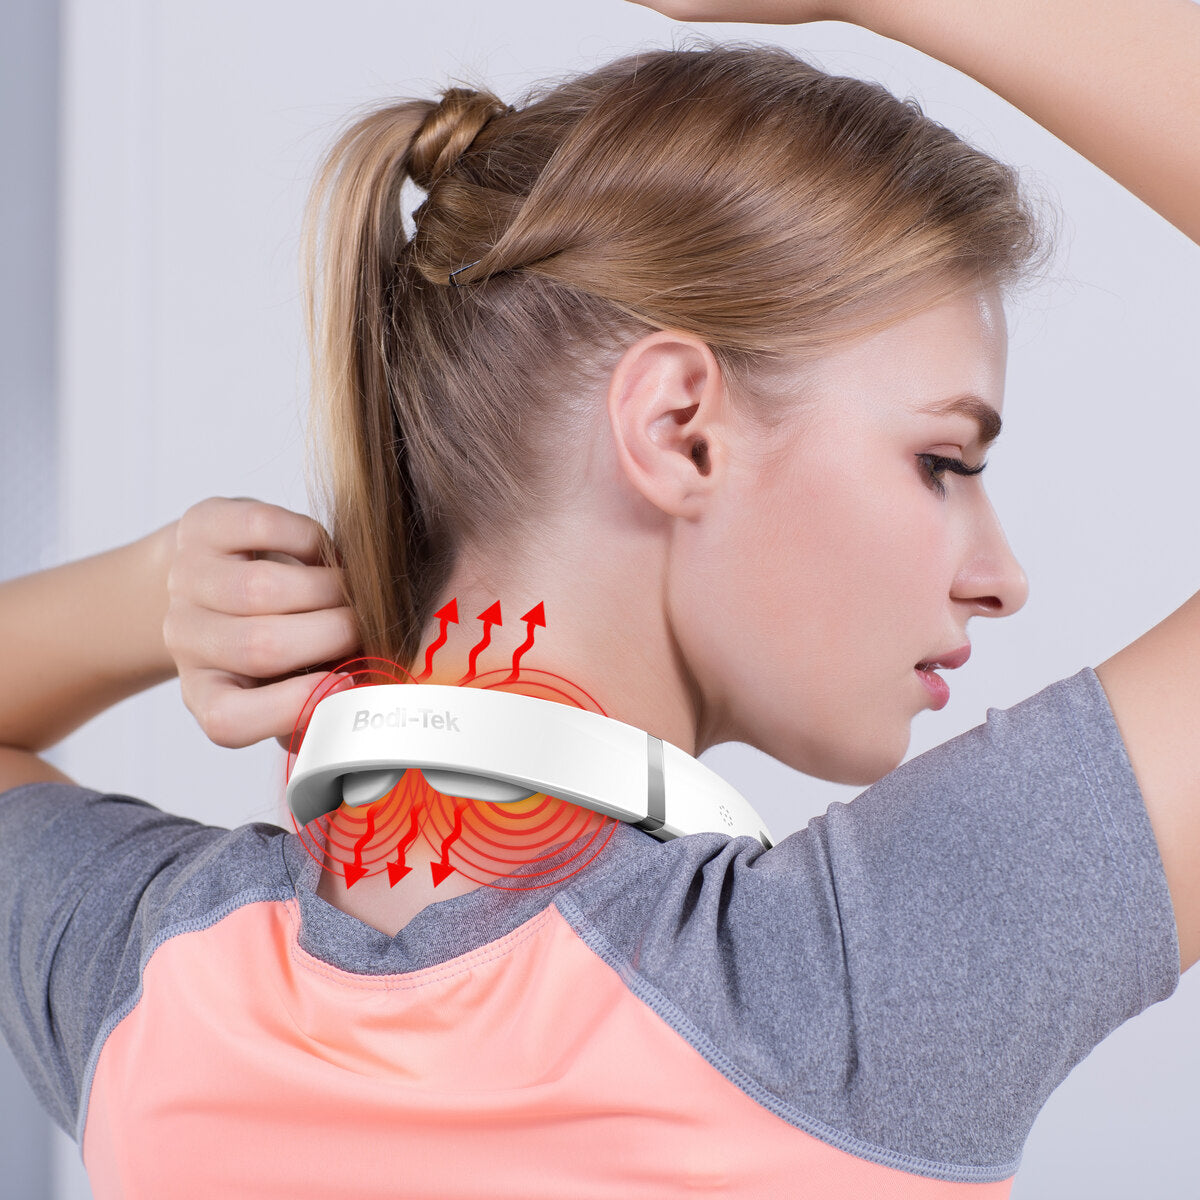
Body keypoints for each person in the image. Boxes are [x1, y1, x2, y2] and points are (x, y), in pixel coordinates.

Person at [0, 0, 1196, 1196]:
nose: (1000, 576)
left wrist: (153, 593)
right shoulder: (849, 994)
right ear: (679, 430)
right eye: (944, 464)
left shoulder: (148, 982)